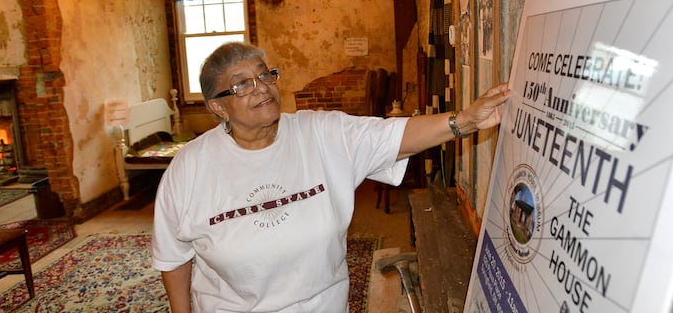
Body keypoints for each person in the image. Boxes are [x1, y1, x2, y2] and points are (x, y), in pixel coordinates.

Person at [152, 42, 510, 312]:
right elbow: (173, 258)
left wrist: (464, 121)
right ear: (217, 106)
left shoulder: (320, 133)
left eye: (265, 75)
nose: (261, 87)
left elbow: (392, 136)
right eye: (242, 84)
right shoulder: (189, 169)